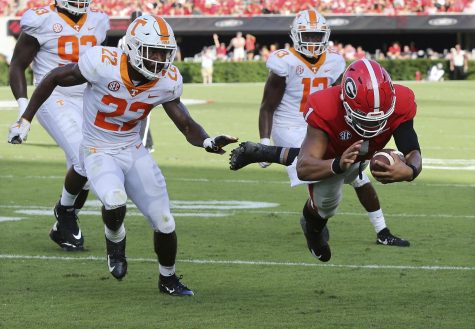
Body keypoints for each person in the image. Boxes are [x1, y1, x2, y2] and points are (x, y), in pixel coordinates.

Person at [8, 15, 238, 295]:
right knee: (114, 199)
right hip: (97, 148)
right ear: (132, 47)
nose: (159, 60)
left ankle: (168, 279)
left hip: (132, 148)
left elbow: (186, 123)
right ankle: (115, 240)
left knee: (165, 222)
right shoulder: (103, 64)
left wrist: (207, 141)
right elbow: (54, 77)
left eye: (164, 53)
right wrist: (26, 118)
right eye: (153, 51)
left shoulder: (166, 81)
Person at [229, 10, 410, 247]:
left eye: (317, 36)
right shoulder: (284, 61)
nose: (313, 42)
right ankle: (266, 153)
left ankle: (382, 231)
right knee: (317, 164)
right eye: (309, 36)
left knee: (357, 174)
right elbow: (267, 106)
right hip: (290, 123)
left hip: (323, 123)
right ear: (295, 35)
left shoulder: (335, 61)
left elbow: (341, 98)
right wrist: (265, 139)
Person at [295, 59, 421, 262]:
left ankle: (382, 231)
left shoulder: (402, 100)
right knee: (326, 207)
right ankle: (312, 231)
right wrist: (337, 164)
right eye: (364, 117)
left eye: (381, 119)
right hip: (333, 155)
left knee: (360, 177)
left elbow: (412, 149)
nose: (373, 125)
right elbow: (303, 167)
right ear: (345, 102)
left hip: (364, 152)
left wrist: (411, 171)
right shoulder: (325, 106)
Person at [8, 0, 109, 251]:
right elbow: (17, 65)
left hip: (88, 97)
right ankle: (65, 212)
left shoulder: (98, 19)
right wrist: (24, 113)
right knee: (84, 158)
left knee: (86, 172)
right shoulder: (40, 19)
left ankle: (61, 229)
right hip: (52, 97)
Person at [118, 10, 154, 152]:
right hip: (139, 80)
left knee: (136, 114)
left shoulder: (123, 39)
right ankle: (143, 146)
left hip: (129, 80)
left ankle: (144, 145)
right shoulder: (147, 37)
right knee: (141, 114)